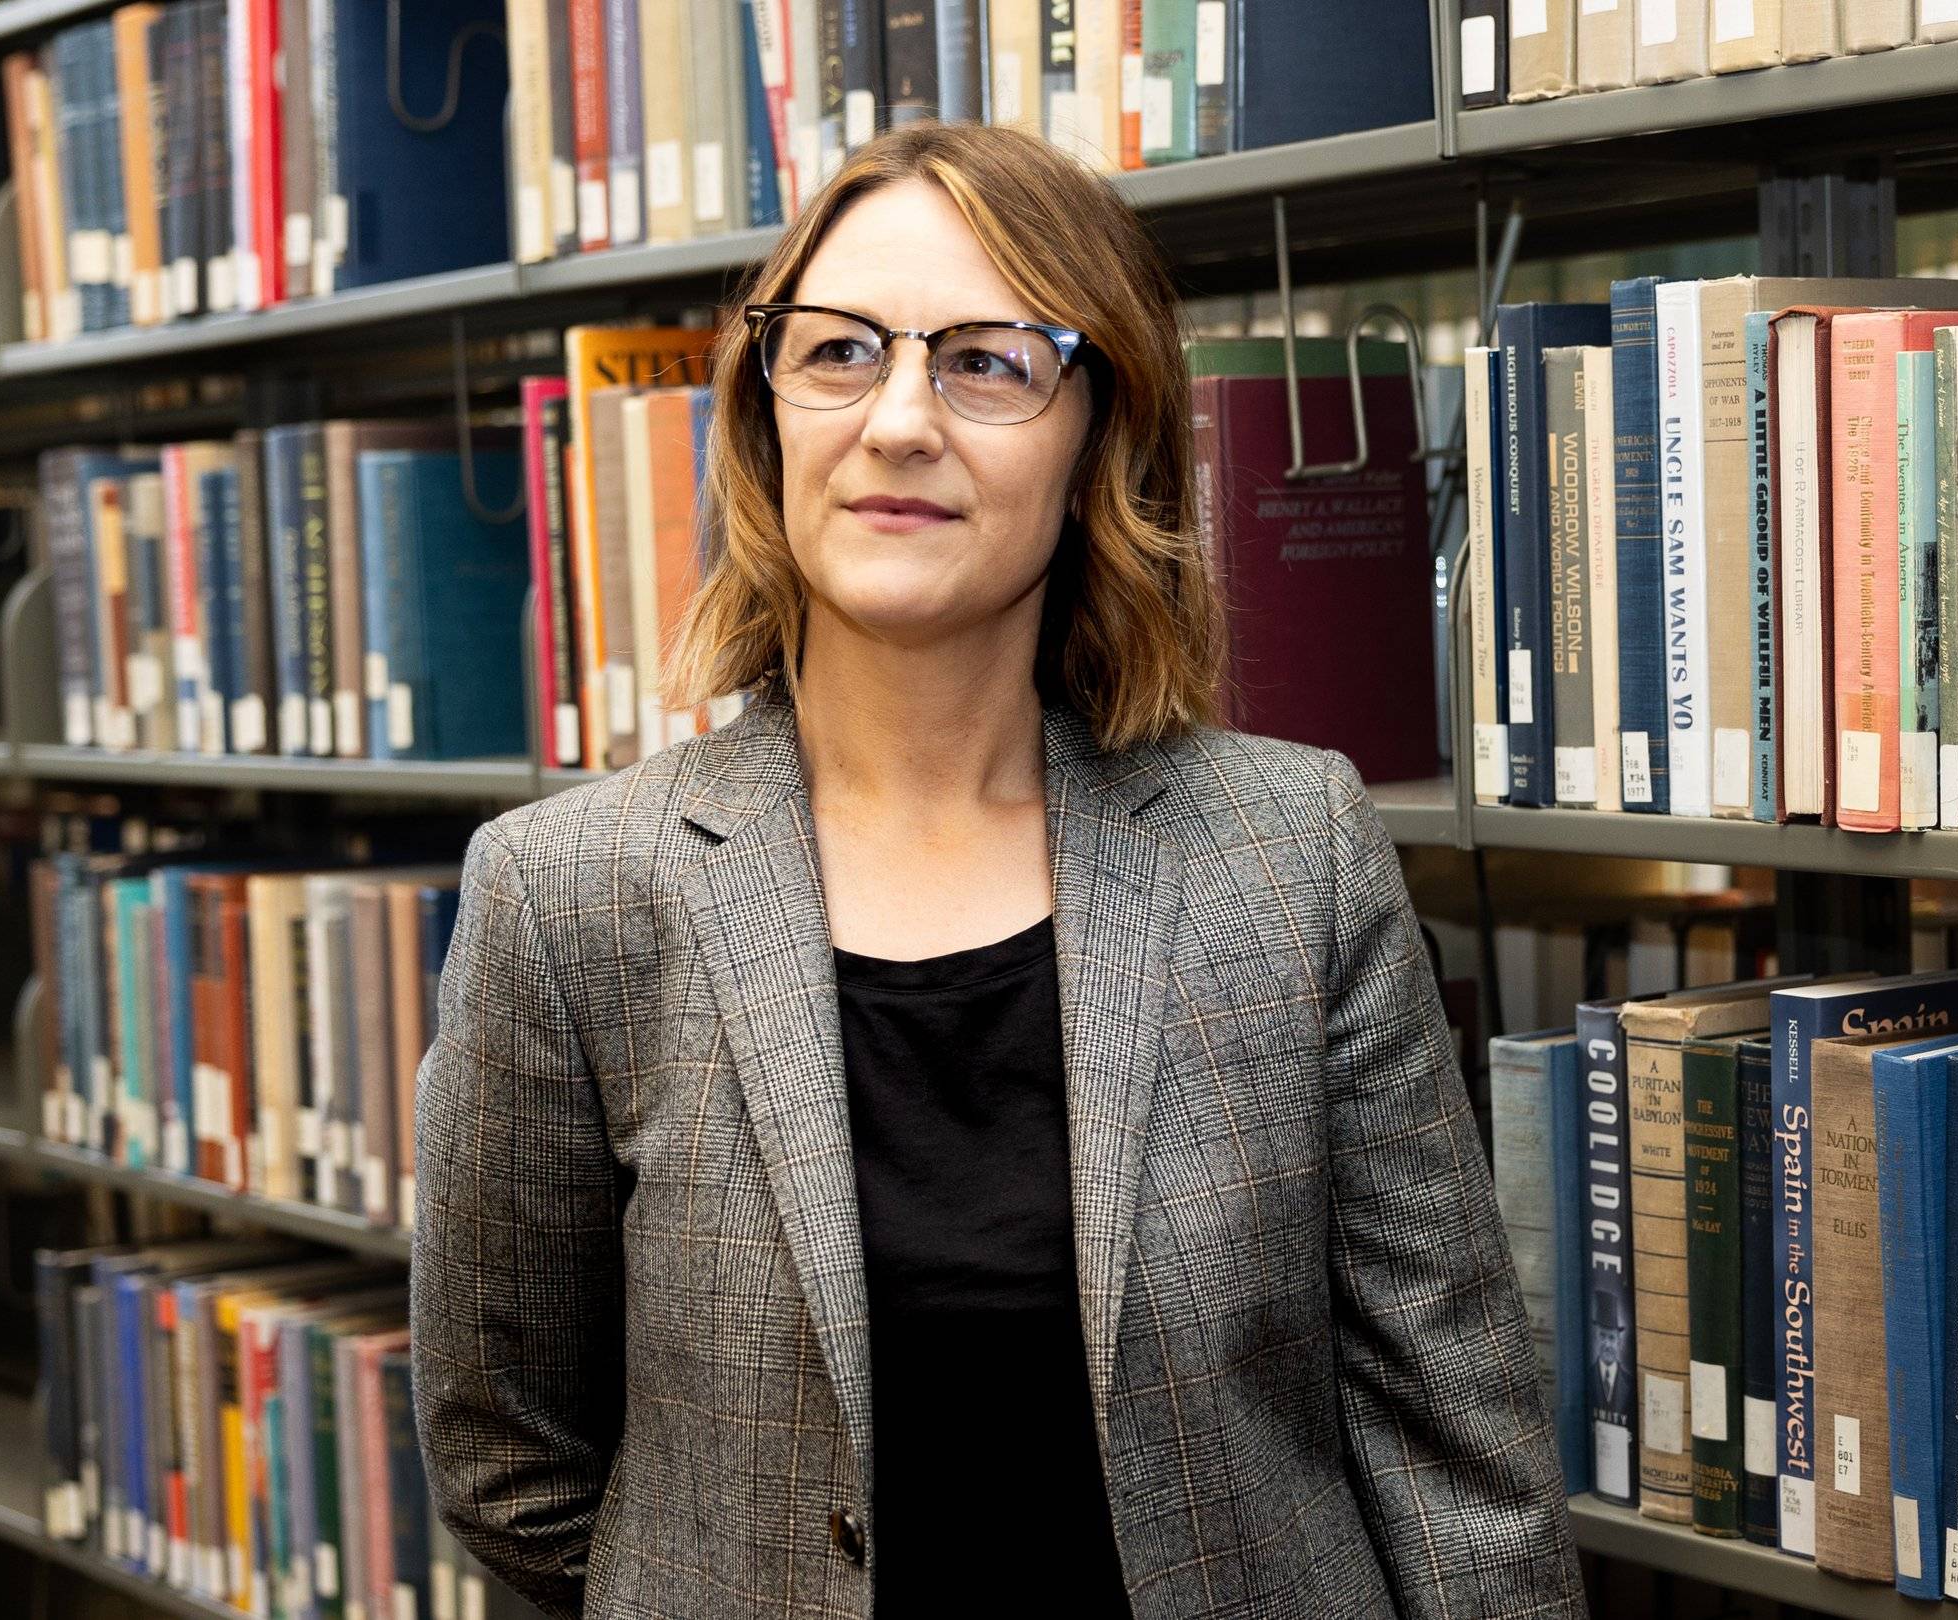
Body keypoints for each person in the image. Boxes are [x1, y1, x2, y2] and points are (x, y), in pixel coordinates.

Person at [410, 120, 1583, 1620]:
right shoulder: (568, 895)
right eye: (838, 352)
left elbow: (1456, 1451)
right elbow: (506, 1449)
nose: (900, 420)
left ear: (1101, 434)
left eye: (987, 362)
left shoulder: (1293, 853)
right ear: (766, 417)